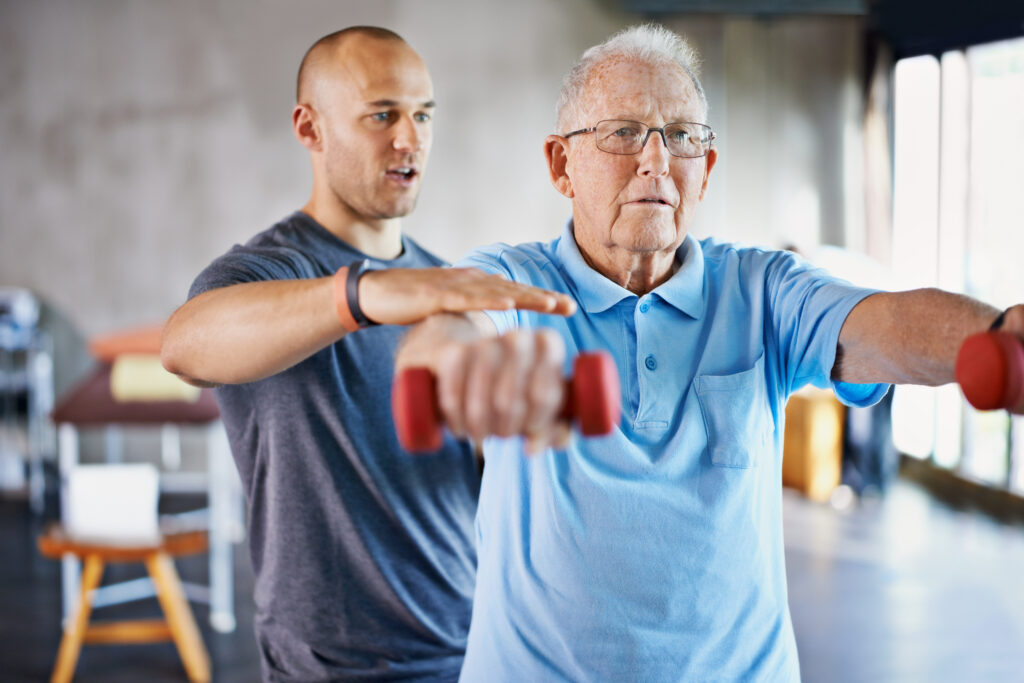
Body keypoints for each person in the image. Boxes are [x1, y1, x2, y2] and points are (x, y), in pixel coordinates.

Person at [395, 24, 1024, 681]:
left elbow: (881, 322)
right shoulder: (512, 280)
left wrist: (998, 334)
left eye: (682, 137)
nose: (656, 161)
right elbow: (450, 327)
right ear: (561, 164)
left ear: (707, 169)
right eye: (623, 131)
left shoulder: (762, 288)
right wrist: (456, 364)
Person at [161, 27, 572, 682]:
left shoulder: (447, 287)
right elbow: (185, 345)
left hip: (473, 652)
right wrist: (363, 293)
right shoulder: (264, 272)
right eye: (382, 114)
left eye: (423, 114)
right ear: (310, 128)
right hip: (327, 668)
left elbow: (481, 484)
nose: (409, 138)